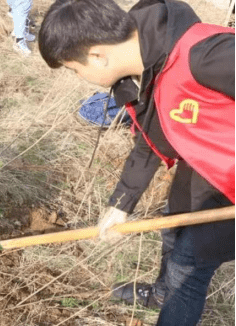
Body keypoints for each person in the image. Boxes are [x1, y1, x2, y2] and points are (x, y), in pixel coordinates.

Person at [38, 0, 234, 325]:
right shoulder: (145, 69)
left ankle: (175, 302)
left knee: (188, 266)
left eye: (74, 68)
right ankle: (160, 293)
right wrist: (120, 204)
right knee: (173, 227)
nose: (79, 77)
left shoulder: (204, 54)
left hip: (231, 185)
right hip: (202, 167)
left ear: (98, 55)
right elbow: (150, 141)